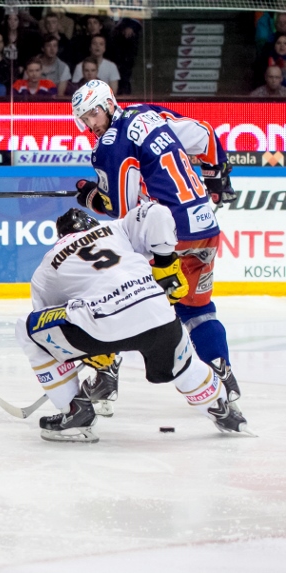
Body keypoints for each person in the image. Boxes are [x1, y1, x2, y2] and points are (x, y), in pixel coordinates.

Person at [70, 79, 241, 409]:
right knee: (197, 308)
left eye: (94, 114)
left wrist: (91, 196)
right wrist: (218, 177)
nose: (92, 123)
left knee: (117, 296)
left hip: (167, 237)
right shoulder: (149, 113)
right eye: (85, 118)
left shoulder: (110, 144)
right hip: (205, 226)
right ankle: (224, 378)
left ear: (108, 105)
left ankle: (105, 378)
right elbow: (205, 134)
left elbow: (122, 210)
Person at [16, 204, 251, 443]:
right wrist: (164, 263)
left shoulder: (49, 263)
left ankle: (74, 414)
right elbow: (157, 212)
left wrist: (85, 353)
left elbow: (49, 325)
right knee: (184, 367)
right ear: (94, 225)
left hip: (103, 326)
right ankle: (224, 410)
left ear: (61, 237)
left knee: (27, 329)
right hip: (158, 312)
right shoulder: (115, 230)